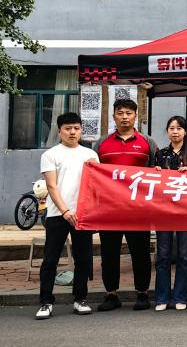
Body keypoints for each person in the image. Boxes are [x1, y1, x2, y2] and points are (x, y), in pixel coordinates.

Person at [93, 98, 158, 312]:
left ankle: (142, 293)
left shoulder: (147, 142)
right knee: (109, 254)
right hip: (109, 210)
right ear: (113, 116)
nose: (124, 117)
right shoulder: (101, 144)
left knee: (140, 253)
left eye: (129, 113)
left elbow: (156, 172)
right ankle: (111, 294)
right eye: (120, 113)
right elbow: (93, 175)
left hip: (138, 210)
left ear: (135, 116)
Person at [35, 112, 99, 320]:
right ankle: (46, 302)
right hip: (58, 214)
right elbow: (51, 186)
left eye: (76, 128)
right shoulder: (50, 155)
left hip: (82, 215)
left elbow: (96, 185)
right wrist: (65, 211)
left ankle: (80, 299)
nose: (72, 132)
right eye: (68, 128)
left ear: (81, 130)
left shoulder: (90, 154)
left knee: (84, 259)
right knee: (50, 259)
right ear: (60, 130)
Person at [152, 116, 187, 311]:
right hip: (163, 210)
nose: (175, 132)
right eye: (171, 128)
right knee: (163, 256)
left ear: (185, 131)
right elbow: (151, 181)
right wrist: (155, 171)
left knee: (184, 255)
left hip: (186, 211)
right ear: (167, 131)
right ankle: (162, 298)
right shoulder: (160, 154)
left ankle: (182, 296)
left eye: (179, 128)